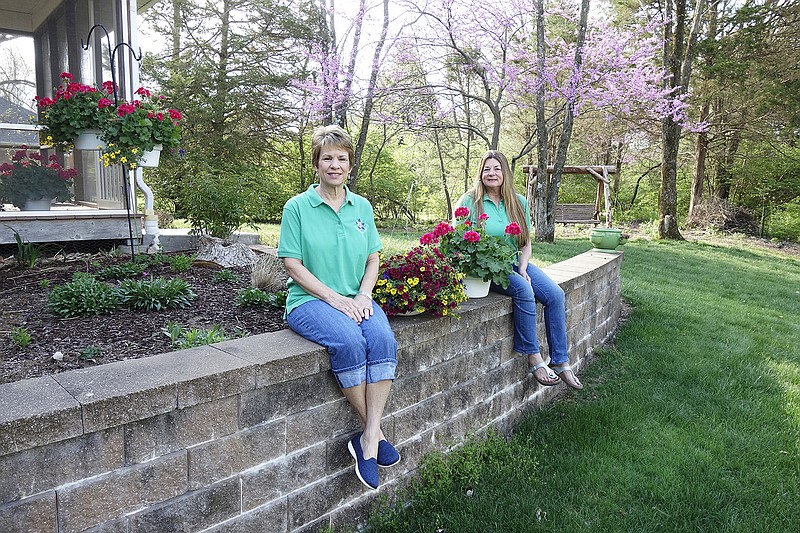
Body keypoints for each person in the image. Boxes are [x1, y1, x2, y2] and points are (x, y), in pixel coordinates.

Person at [278, 125, 400, 490]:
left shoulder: (361, 206)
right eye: (327, 158)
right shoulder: (297, 207)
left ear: (350, 165)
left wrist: (363, 296)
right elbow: (292, 265)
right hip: (310, 302)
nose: (334, 164)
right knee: (349, 343)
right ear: (316, 164)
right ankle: (375, 436)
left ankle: (366, 438)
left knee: (382, 340)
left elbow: (374, 259)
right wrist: (336, 300)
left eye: (341, 158)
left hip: (356, 297)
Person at [455, 150, 583, 390]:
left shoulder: (519, 202)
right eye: (486, 169)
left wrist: (523, 267)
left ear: (505, 173)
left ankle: (561, 361)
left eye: (497, 168)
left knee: (555, 295)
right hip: (484, 269)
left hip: (513, 262)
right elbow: (459, 243)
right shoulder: (470, 201)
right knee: (524, 290)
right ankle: (534, 358)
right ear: (480, 173)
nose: (492, 173)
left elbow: (525, 243)